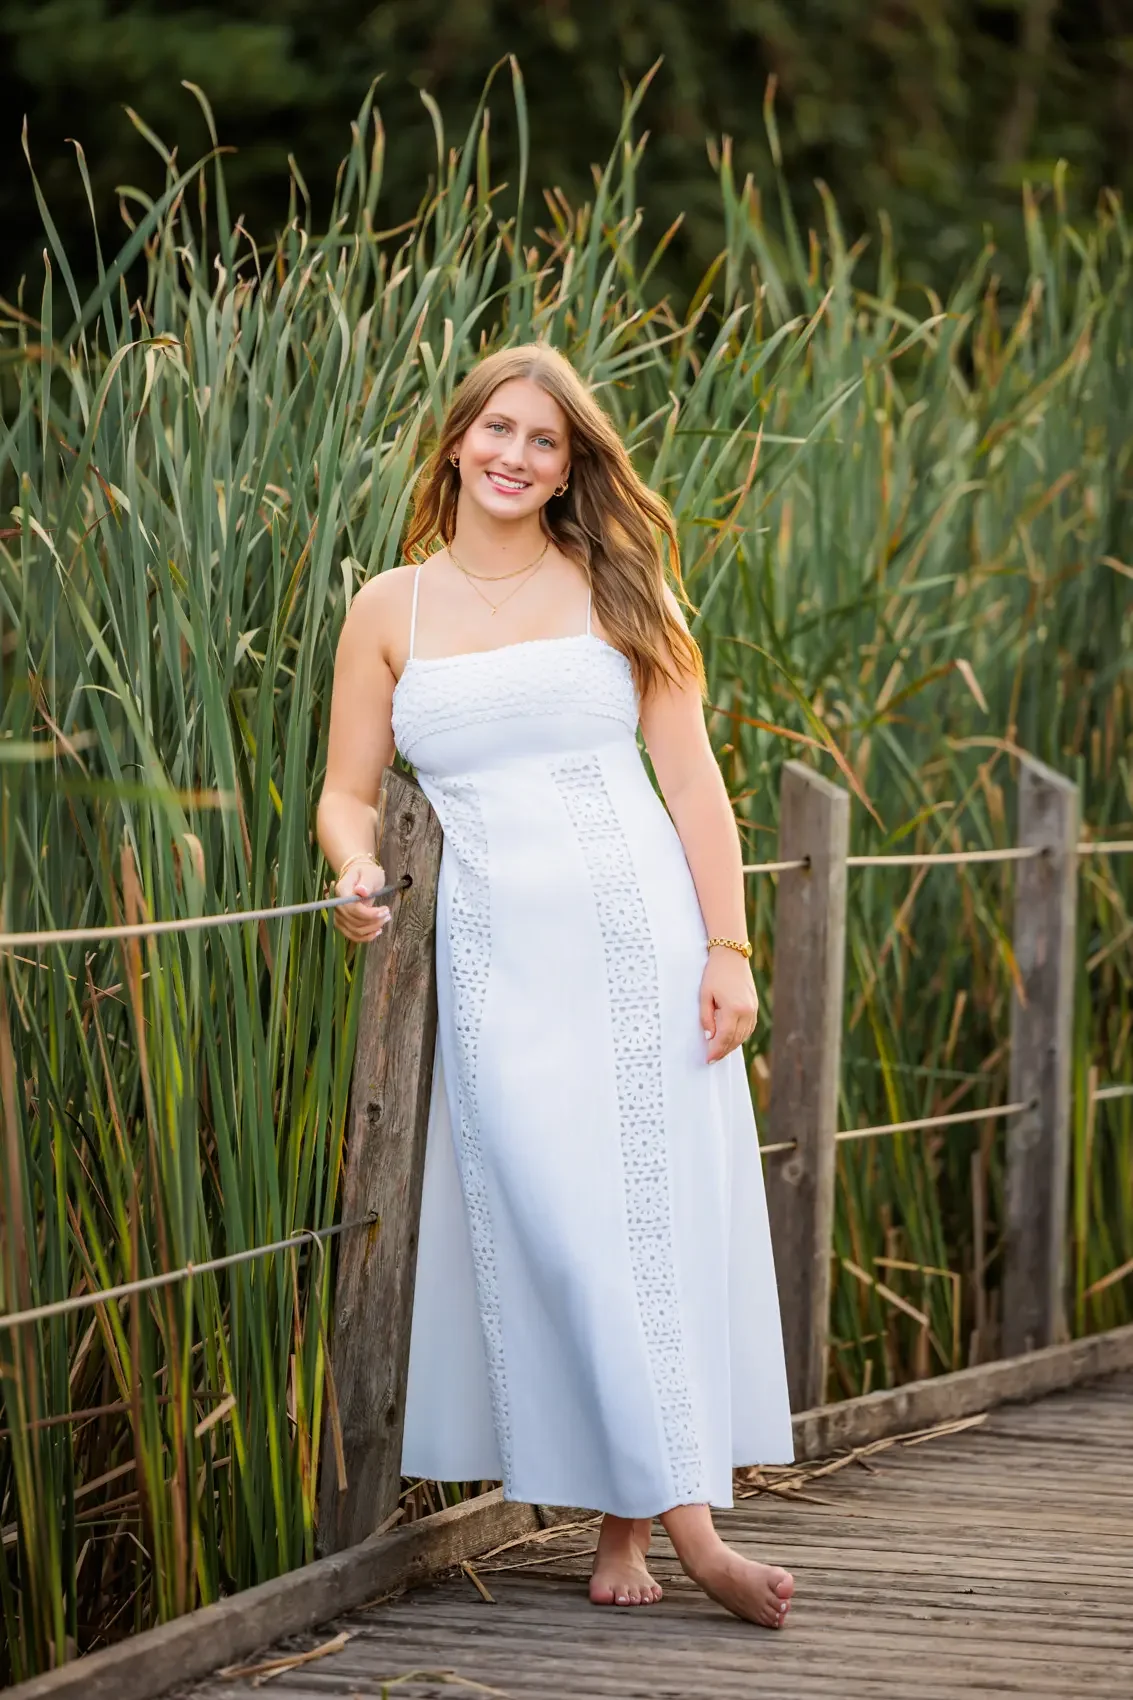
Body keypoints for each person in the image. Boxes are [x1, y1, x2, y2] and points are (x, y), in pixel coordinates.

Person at [317, 343, 795, 1628]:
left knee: (639, 1216)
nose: (517, 457)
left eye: (546, 441)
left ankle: (653, 1524)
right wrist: (356, 872)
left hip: (641, 939)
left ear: (570, 465)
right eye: (499, 430)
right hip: (497, 962)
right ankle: (667, 1512)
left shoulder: (616, 584)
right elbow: (346, 792)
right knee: (557, 1219)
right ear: (456, 440)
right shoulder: (389, 608)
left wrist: (728, 947)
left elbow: (693, 784)